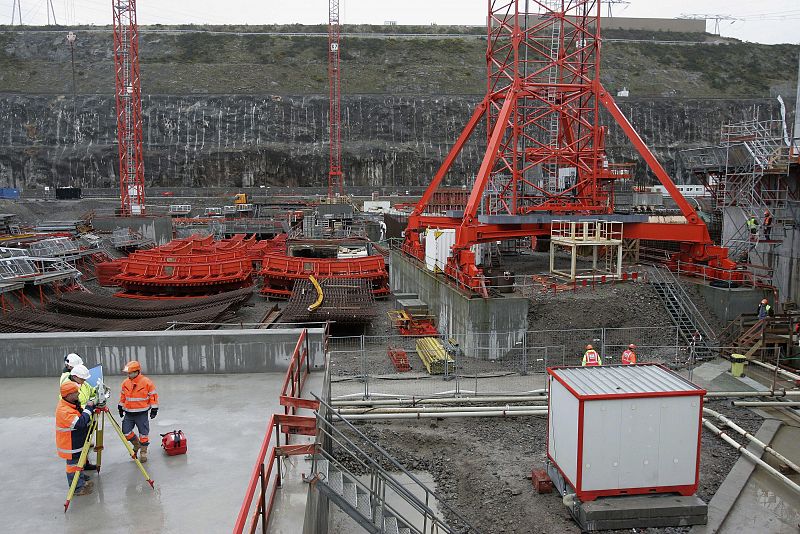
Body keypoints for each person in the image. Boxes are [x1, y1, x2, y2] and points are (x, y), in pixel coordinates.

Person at [56, 381, 95, 496]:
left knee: (79, 462)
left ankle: (81, 480)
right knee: (73, 466)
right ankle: (77, 488)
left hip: (76, 441)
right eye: (75, 392)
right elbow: (80, 423)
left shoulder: (71, 403)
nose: (78, 394)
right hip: (70, 444)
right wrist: (89, 408)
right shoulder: (64, 410)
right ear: (68, 395)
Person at [118, 361, 158, 463]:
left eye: (130, 373)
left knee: (143, 434)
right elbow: (123, 396)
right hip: (129, 413)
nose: (128, 375)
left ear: (137, 372)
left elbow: (153, 396)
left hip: (142, 413)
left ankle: (143, 452)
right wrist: (120, 406)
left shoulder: (146, 382)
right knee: (126, 432)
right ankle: (136, 444)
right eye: (128, 373)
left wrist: (154, 409)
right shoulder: (125, 383)